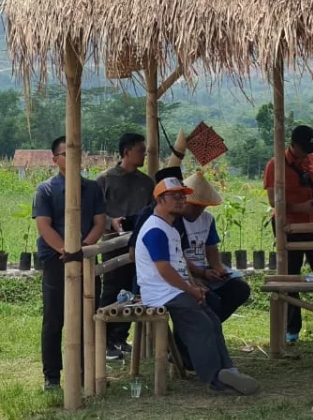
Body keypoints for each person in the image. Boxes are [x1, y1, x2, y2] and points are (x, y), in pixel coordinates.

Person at [135, 174, 259, 396]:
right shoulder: (155, 229)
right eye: (175, 197)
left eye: (183, 197)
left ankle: (228, 369)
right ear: (160, 200)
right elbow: (164, 269)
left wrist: (195, 285)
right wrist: (191, 289)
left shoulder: (170, 228)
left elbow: (180, 264)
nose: (181, 201)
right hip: (161, 292)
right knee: (200, 323)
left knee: (211, 319)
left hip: (174, 289)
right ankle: (213, 379)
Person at [33, 136, 106, 391]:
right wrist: (66, 250)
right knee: (54, 318)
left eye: (77, 153)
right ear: (55, 160)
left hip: (85, 258)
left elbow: (99, 222)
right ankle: (52, 377)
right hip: (56, 259)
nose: (74, 158)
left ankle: (87, 371)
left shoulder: (93, 188)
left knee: (90, 315)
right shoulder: (45, 190)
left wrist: (83, 248)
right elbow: (44, 226)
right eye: (67, 154)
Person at [264, 124, 313, 342]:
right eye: (305, 148)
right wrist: (301, 207)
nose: (308, 153)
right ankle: (291, 329)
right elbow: (272, 201)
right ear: (293, 145)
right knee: (290, 276)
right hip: (289, 226)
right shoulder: (275, 165)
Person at [97, 132, 155, 360]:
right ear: (126, 152)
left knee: (133, 289)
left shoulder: (146, 182)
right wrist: (112, 221)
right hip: (113, 243)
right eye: (141, 150)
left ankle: (120, 336)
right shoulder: (105, 179)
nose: (144, 154)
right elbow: (96, 212)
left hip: (139, 244)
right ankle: (104, 339)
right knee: (111, 289)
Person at [178, 171, 251, 322]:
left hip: (203, 271)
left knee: (240, 288)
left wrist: (218, 270)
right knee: (211, 302)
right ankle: (205, 327)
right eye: (196, 206)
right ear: (185, 201)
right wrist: (201, 274)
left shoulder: (207, 219)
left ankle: (209, 325)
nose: (200, 211)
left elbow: (211, 250)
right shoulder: (175, 220)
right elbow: (177, 257)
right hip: (184, 273)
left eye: (203, 206)